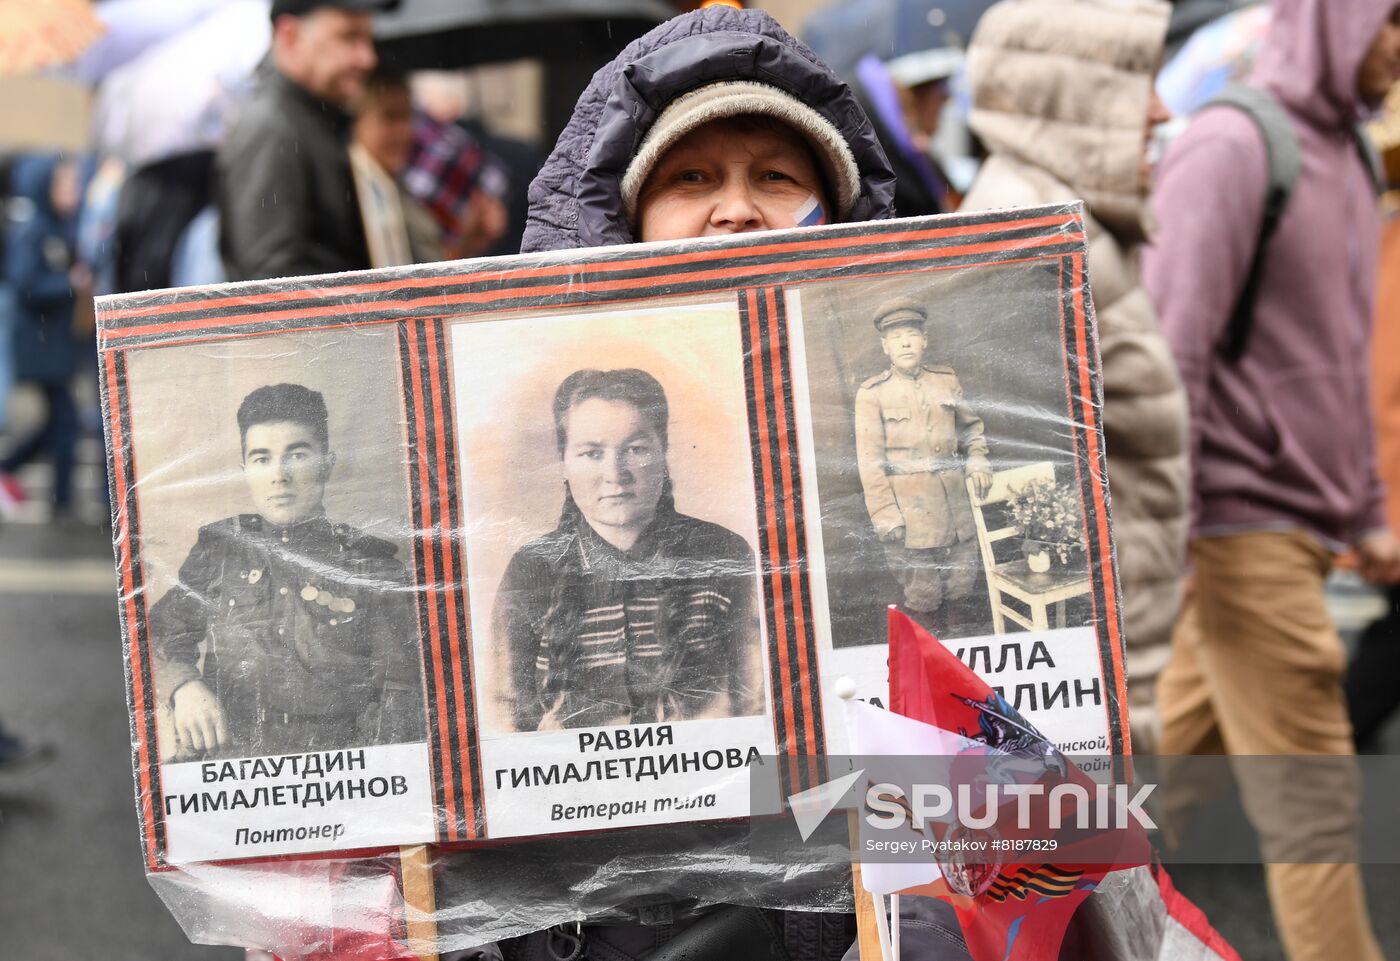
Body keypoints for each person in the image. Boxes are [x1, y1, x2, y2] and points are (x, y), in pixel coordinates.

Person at [1146, 1, 1400, 959]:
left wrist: (1368, 508)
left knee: (1164, 769)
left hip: (1297, 524)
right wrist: (1170, 537)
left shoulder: (1356, 155)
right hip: (1241, 522)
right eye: (1390, 21)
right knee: (1318, 807)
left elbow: (1340, 353)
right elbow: (1174, 355)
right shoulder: (1230, 146)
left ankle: (1021, 871)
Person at [957, 0, 1187, 752]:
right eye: (1138, 85)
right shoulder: (1028, 230)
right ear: (1070, 100)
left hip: (1125, 644)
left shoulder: (1069, 222)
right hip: (1090, 673)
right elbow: (1031, 485)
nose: (1160, 111)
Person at [147, 383, 423, 759]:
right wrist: (184, 687)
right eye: (262, 459)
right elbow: (158, 631)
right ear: (245, 470)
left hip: (340, 764)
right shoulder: (222, 550)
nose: (279, 475)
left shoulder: (369, 565)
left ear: (327, 463)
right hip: (229, 758)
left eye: (297, 455)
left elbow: (403, 695)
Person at [493, 368, 760, 732]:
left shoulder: (723, 553)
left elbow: (760, 700)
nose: (615, 474)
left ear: (662, 451)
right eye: (591, 453)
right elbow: (505, 722)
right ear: (564, 461)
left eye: (636, 449)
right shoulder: (532, 568)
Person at [216, 0, 398, 282]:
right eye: (349, 37)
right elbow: (271, 281)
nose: (367, 58)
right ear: (290, 36)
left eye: (368, 38)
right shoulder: (272, 127)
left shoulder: (311, 119)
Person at [854, 297, 991, 637]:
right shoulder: (872, 394)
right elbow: (869, 463)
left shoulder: (945, 380)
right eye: (896, 336)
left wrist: (977, 459)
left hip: (957, 510)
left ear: (924, 340)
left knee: (962, 589)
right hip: (911, 517)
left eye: (912, 334)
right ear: (885, 346)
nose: (905, 342)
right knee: (923, 597)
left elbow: (971, 428)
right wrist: (887, 517)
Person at [0, 154, 86, 518]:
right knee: (65, 420)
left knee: (60, 420)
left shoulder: (61, 227)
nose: (72, 191)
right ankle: (61, 500)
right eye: (63, 184)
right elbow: (25, 283)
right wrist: (68, 282)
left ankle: (17, 473)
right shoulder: (35, 229)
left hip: (56, 343)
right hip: (39, 343)